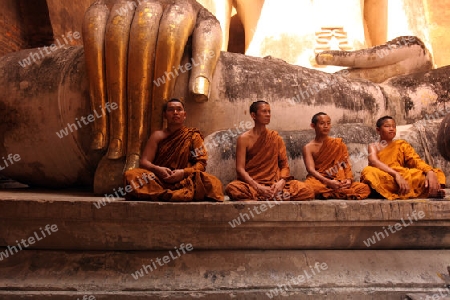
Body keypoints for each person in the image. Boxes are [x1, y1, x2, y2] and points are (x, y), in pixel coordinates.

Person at [124, 98, 224, 201]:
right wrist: (157, 169)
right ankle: (175, 194)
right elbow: (144, 162)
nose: (175, 112)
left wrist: (183, 172)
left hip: (185, 179)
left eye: (179, 109)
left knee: (213, 182)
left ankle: (163, 195)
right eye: (171, 110)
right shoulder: (157, 136)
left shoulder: (193, 136)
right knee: (131, 175)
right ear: (165, 115)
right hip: (159, 179)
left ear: (184, 115)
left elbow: (201, 164)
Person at [225, 100, 314, 201]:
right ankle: (271, 196)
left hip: (274, 184)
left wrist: (282, 182)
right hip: (253, 184)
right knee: (233, 188)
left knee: (307, 190)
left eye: (269, 111)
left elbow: (284, 165)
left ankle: (267, 195)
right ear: (253, 115)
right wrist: (258, 187)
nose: (268, 114)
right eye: (264, 111)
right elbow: (240, 169)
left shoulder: (275, 138)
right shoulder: (244, 139)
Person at [361, 115, 446, 200]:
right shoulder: (374, 146)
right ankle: (426, 191)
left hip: (403, 178)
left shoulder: (401, 144)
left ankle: (431, 189)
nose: (391, 129)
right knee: (368, 171)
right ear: (378, 130)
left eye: (393, 126)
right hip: (385, 176)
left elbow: (415, 160)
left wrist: (429, 172)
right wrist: (396, 175)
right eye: (387, 126)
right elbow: (373, 161)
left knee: (434, 173)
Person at [302, 112, 371, 200]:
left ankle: (332, 192)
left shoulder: (338, 144)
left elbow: (346, 164)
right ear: (313, 125)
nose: (326, 126)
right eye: (322, 123)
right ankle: (339, 192)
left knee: (364, 188)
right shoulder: (308, 147)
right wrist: (328, 182)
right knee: (309, 188)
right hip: (320, 180)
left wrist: (348, 180)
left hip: (338, 180)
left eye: (328, 123)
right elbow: (311, 170)